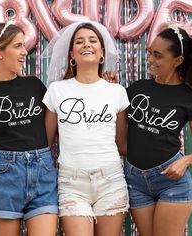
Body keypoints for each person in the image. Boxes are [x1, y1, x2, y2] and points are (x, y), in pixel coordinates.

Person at [0, 22, 58, 236]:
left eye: (23, 45)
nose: (24, 51)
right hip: (3, 178)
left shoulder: (35, 86)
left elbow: (49, 132)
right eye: (18, 46)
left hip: (42, 173)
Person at [42, 21, 130, 236]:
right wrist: (6, 150)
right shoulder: (57, 90)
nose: (86, 44)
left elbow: (122, 145)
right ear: (72, 54)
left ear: (102, 53)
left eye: (92, 40)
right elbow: (44, 142)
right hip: (71, 182)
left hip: (111, 180)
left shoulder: (117, 91)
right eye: (79, 42)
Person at [124, 24, 192, 236]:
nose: (150, 59)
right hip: (135, 180)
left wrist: (185, 161)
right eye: (150, 53)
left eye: (158, 56)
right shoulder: (137, 89)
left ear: (178, 61)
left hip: (171, 181)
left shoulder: (190, 98)